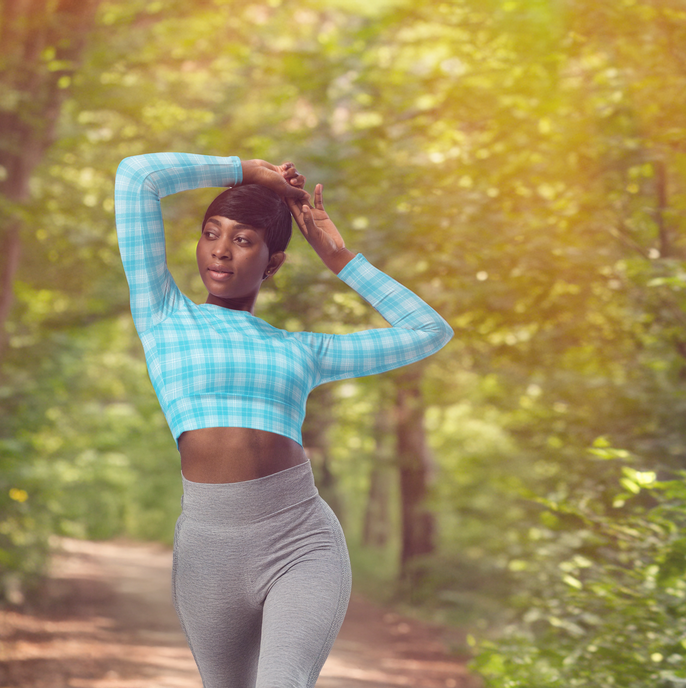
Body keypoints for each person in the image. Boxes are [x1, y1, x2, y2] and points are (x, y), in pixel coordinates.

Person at [114, 152, 453, 688]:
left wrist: (340, 258)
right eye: (211, 234)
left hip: (299, 538)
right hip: (209, 546)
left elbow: (427, 331)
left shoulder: (301, 350)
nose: (221, 250)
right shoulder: (164, 316)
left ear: (272, 263)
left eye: (244, 239)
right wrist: (246, 171)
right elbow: (138, 176)